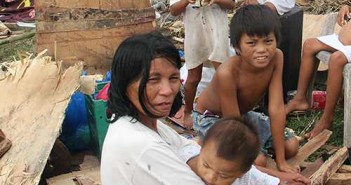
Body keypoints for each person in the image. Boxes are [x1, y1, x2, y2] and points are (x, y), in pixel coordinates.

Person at [193, 5, 299, 173]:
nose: (262, 49)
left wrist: (281, 162)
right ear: (237, 47)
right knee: (258, 161)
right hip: (214, 119)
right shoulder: (227, 73)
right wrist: (278, 175)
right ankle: (204, 142)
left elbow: (277, 107)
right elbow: (233, 124)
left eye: (268, 41)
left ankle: (257, 147)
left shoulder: (277, 57)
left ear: (276, 40)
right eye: (251, 43)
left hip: (242, 115)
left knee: (291, 146)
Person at [100, 31, 204, 184]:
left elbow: (189, 150)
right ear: (125, 84)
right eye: (153, 80)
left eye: (173, 78)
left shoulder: (144, 124)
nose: (168, 90)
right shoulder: (142, 145)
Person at [285, 5, 351, 139]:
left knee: (336, 59)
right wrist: (346, 7)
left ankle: (327, 118)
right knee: (309, 45)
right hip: (344, 43)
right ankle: (300, 99)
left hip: (346, 46)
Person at [169, 0, 235, 129]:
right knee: (193, 76)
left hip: (217, 30)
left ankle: (229, 113)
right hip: (195, 31)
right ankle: (188, 112)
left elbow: (231, 5)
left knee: (223, 75)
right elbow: (174, 10)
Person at [191, 117, 310, 185]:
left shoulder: (246, 176)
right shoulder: (185, 161)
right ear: (200, 146)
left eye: (223, 176)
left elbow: (267, 180)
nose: (210, 177)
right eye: (206, 165)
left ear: (242, 172)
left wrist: (288, 180)